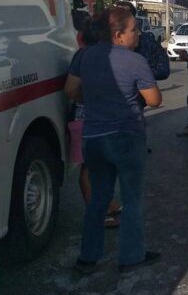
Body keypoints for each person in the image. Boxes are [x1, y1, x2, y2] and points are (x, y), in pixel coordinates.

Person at [65, 7, 162, 274]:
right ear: (119, 35)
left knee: (98, 198)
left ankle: (88, 257)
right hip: (126, 137)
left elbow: (72, 90)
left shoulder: (83, 55)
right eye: (133, 29)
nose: (138, 34)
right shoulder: (135, 61)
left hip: (94, 138)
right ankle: (131, 257)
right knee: (132, 200)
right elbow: (154, 99)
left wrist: (94, 101)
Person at [67, 17, 123, 228]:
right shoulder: (84, 56)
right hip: (86, 120)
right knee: (89, 168)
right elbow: (71, 89)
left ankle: (106, 205)